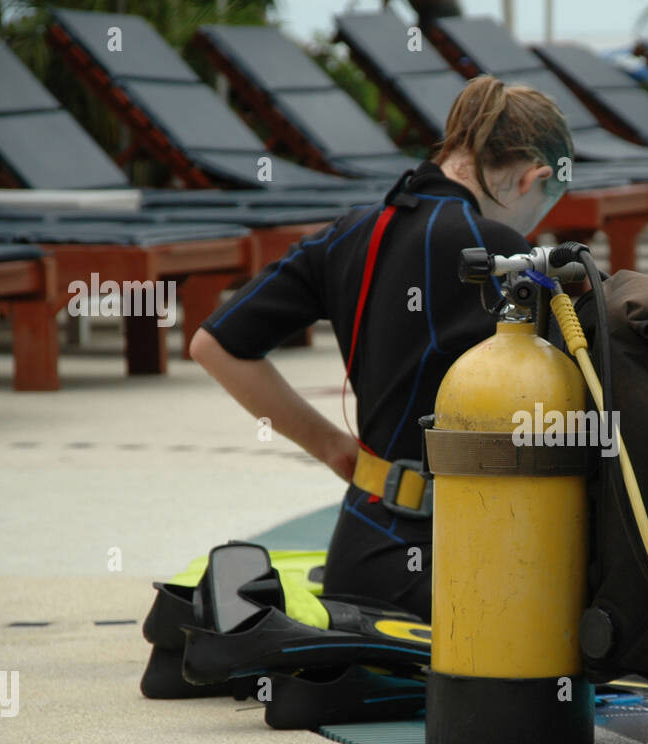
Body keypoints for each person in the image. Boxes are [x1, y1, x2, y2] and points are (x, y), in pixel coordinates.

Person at [189, 76, 573, 621]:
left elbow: (214, 346)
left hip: (359, 555)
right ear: (532, 178)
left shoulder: (352, 230)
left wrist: (332, 447)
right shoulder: (502, 254)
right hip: (463, 560)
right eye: (544, 205)